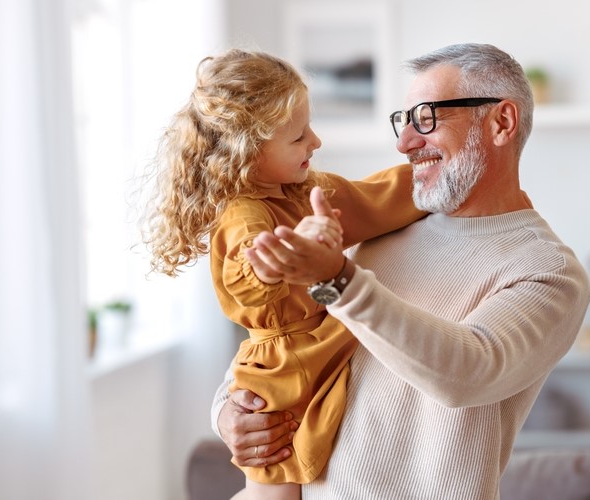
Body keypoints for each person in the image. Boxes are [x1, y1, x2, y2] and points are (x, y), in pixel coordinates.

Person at [211, 42, 590, 499]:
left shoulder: (546, 270)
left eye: (427, 118)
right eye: (404, 120)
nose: (405, 142)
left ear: (500, 122)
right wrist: (229, 412)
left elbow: (467, 372)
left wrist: (336, 279)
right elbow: (294, 341)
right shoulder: (385, 232)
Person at [142, 49, 425, 499]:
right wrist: (295, 250)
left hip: (317, 346)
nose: (315, 141)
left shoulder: (308, 191)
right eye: (298, 137)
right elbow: (252, 271)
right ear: (247, 151)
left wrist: (435, 176)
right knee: (274, 491)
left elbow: (375, 198)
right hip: (281, 372)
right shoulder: (244, 214)